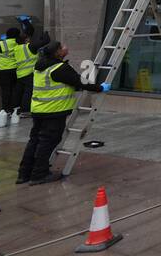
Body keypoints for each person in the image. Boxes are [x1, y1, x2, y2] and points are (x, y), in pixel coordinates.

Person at [16, 41, 108, 185]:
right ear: (57, 52)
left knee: (34, 141)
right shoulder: (59, 68)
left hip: (39, 110)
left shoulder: (40, 65)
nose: (66, 47)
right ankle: (39, 174)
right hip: (54, 111)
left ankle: (24, 173)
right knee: (47, 142)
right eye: (63, 47)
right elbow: (81, 82)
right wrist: (100, 88)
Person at [0, 27, 21, 127]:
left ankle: (6, 109)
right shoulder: (19, 43)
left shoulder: (2, 43)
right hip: (16, 70)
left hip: (5, 71)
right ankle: (14, 109)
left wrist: (2, 41)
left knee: (6, 91)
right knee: (15, 90)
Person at [12, 29, 38, 121]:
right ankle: (26, 111)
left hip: (20, 74)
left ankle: (16, 110)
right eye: (28, 39)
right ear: (26, 40)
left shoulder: (16, 48)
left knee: (19, 92)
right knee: (28, 93)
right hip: (29, 73)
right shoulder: (28, 47)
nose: (29, 40)